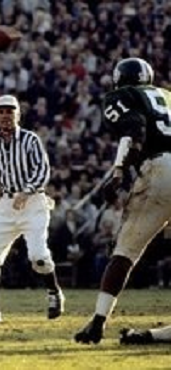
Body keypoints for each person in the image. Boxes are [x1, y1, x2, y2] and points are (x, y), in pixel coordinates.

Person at [75, 57, 171, 344]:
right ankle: (156, 336)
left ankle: (98, 321)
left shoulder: (123, 95)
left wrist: (118, 172)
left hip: (160, 171)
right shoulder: (168, 96)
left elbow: (134, 129)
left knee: (126, 250)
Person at [0, 94, 65, 322]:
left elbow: (43, 169)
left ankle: (54, 293)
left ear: (18, 114)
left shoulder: (31, 140)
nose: (5, 116)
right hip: (6, 205)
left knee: (38, 256)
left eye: (9, 111)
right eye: (1, 111)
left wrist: (27, 190)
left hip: (33, 203)